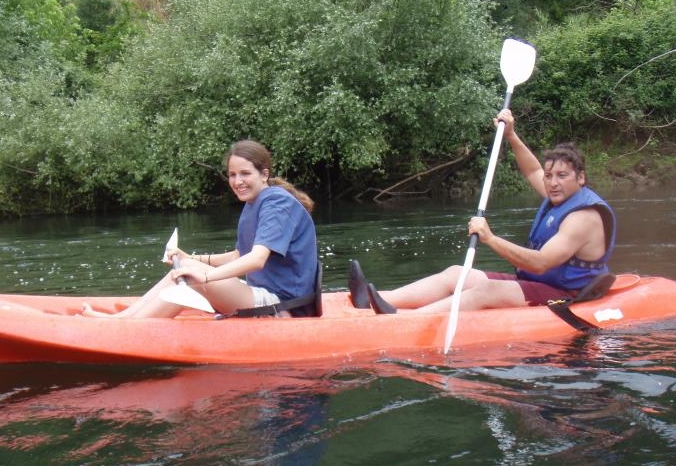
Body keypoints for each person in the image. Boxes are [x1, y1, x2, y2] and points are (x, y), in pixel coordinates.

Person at [349, 109, 616, 314]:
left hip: (566, 294)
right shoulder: (557, 193)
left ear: (580, 178)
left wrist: (490, 238)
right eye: (550, 176)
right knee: (457, 273)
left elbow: (541, 263)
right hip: (540, 283)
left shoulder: (583, 218)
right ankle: (375, 300)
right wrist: (510, 135)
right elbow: (533, 169)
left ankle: (405, 319)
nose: (553, 182)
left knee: (488, 289)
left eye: (562, 175)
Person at [84, 140, 319, 318]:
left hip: (284, 306)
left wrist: (205, 277)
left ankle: (129, 326)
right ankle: (123, 318)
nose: (237, 181)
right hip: (263, 294)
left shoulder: (277, 203)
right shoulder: (254, 203)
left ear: (264, 174)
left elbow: (256, 260)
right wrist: (192, 258)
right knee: (184, 267)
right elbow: (239, 256)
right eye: (232, 175)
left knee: (189, 275)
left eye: (245, 173)